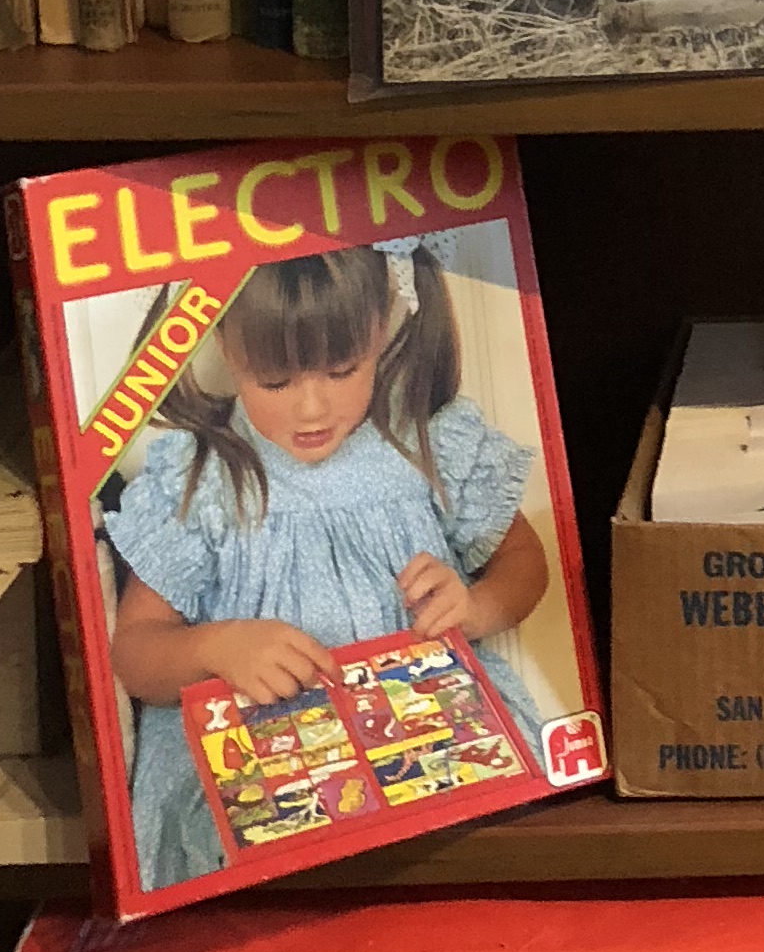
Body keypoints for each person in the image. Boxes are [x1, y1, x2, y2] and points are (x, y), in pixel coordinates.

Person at [101, 244, 550, 894]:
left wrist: (478, 606)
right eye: (275, 382)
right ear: (226, 346)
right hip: (260, 778)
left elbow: (524, 564)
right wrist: (215, 647)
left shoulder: (430, 445)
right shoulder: (198, 480)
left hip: (430, 750)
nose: (311, 409)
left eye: (342, 370)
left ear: (380, 330)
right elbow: (136, 654)